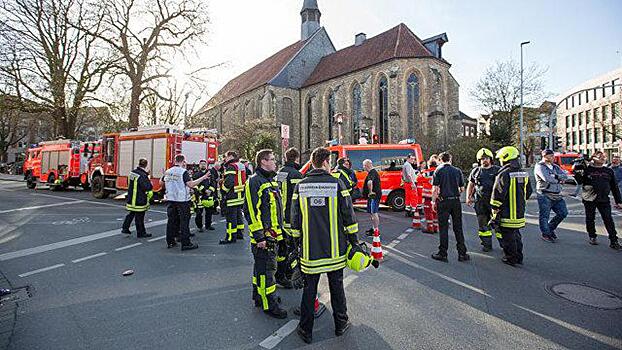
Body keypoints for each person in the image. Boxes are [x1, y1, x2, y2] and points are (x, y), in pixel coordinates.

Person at [291, 147, 359, 344]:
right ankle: (340, 324)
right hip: (335, 250)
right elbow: (349, 217)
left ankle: (305, 330)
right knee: (336, 287)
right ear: (326, 162)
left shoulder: (301, 186)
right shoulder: (337, 184)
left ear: (312, 162)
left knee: (309, 289)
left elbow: (295, 221)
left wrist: (297, 245)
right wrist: (354, 243)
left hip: (310, 252)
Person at [244, 149, 288, 319]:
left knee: (262, 269)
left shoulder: (271, 181)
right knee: (266, 272)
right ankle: (269, 303)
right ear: (263, 161)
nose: (275, 162)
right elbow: (250, 210)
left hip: (274, 235)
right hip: (264, 238)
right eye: (272, 159)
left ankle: (258, 296)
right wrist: (259, 236)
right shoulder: (255, 181)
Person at [490, 146, 533, 266]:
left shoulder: (504, 173)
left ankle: (511, 258)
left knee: (508, 237)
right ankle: (519, 257)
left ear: (506, 158)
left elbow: (498, 193)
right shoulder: (524, 173)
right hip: (519, 212)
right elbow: (528, 191)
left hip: (507, 212)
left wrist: (495, 208)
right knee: (516, 235)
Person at [574, 151, 622, 249]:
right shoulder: (587, 169)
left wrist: (619, 201)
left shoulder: (608, 171)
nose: (603, 158)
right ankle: (592, 236)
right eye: (600, 156)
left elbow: (614, 187)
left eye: (603, 156)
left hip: (604, 199)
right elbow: (579, 181)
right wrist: (578, 171)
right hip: (589, 198)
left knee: (608, 219)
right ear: (593, 158)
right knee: (590, 218)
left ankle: (614, 240)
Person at [161, 154, 208, 251]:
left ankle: (170, 241)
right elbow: (191, 184)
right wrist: (203, 178)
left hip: (171, 199)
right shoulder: (183, 172)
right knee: (184, 221)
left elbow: (162, 183)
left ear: (175, 161)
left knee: (171, 221)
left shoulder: (168, 171)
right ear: (183, 161)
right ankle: (185, 243)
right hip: (182, 200)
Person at [431, 152, 469, 262]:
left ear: (440, 160)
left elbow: (435, 189)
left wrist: (433, 202)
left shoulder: (438, 171)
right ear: (450, 159)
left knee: (443, 228)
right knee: (458, 227)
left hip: (443, 201)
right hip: (455, 201)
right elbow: (462, 189)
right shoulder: (457, 171)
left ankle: (443, 253)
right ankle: (462, 253)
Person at [275, 148, 303, 289]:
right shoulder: (296, 174)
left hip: (279, 217)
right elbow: (299, 199)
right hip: (291, 219)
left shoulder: (279, 173)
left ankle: (281, 275)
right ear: (296, 158)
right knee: (292, 249)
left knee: (282, 249)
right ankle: (288, 275)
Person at [466, 148, 501, 251]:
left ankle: (505, 244)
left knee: (499, 224)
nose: (484, 160)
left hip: (495, 202)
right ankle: (486, 244)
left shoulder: (497, 170)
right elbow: (471, 184)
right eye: (482, 159)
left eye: (486, 158)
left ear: (490, 159)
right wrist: (468, 197)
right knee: (483, 224)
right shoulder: (476, 171)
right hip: (480, 202)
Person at [534, 149, 569, 243]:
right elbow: (547, 178)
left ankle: (549, 228)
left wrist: (557, 176)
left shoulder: (555, 167)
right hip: (545, 194)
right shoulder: (540, 166)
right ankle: (546, 234)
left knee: (563, 213)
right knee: (544, 215)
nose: (553, 158)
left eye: (553, 156)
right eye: (551, 156)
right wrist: (558, 178)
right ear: (545, 156)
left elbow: (565, 176)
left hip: (557, 194)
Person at [122, 158, 153, 238]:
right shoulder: (143, 175)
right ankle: (141, 233)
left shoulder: (132, 173)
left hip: (132, 198)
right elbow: (147, 187)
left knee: (131, 213)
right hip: (139, 199)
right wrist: (148, 179)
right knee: (139, 217)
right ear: (146, 165)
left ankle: (125, 228)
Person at [220, 151, 247, 244]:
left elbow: (229, 182)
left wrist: (223, 190)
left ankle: (230, 237)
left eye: (226, 157)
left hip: (232, 197)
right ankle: (239, 234)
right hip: (240, 196)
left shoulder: (231, 166)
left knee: (231, 218)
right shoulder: (240, 165)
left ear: (231, 156)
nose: (224, 159)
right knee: (238, 216)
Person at [192, 160, 215, 232]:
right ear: (199, 165)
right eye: (201, 164)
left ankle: (208, 225)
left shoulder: (210, 174)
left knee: (209, 212)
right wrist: (204, 190)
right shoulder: (196, 175)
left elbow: (213, 183)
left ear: (207, 165)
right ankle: (200, 227)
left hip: (208, 196)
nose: (203, 165)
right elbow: (195, 185)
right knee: (199, 213)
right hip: (200, 197)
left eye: (204, 164)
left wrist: (210, 190)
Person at [362, 159, 381, 236]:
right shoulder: (373, 172)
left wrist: (370, 192)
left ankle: (376, 231)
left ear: (367, 165)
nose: (363, 168)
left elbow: (370, 182)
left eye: (364, 166)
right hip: (373, 196)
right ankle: (374, 228)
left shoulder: (372, 173)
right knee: (372, 213)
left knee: (374, 213)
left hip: (374, 196)